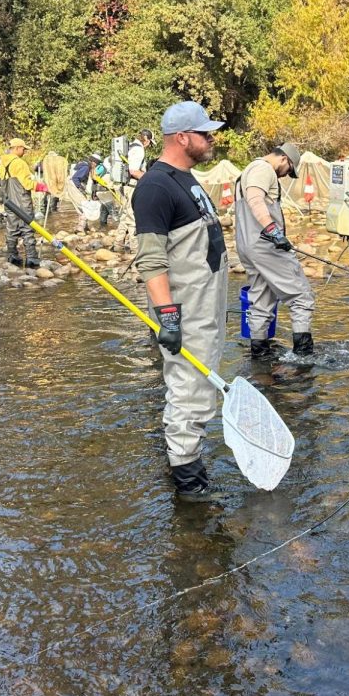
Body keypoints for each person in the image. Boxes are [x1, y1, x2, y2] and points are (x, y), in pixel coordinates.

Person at [131, 102, 226, 502]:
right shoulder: (155, 186)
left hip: (206, 308)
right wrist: (168, 317)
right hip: (185, 313)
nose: (212, 139)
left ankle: (188, 464)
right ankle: (188, 484)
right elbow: (151, 259)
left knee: (201, 390)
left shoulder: (186, 179)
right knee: (187, 392)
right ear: (182, 137)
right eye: (205, 133)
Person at [234, 143, 316, 358]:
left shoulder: (248, 171)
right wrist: (273, 230)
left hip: (248, 246)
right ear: (283, 159)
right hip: (267, 245)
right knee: (301, 296)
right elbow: (254, 199)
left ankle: (259, 356)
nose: (286, 175)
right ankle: (304, 357)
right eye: (289, 169)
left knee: (261, 301)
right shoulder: (263, 169)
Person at [0, 138, 39, 268]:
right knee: (27, 229)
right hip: (22, 201)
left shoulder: (1, 164)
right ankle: (31, 258)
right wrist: (42, 187)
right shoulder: (19, 163)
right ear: (16, 148)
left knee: (12, 229)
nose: (24, 151)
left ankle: (12, 255)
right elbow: (27, 184)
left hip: (9, 203)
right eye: (23, 149)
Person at [110, 129, 155, 248]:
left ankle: (118, 244)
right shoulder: (139, 150)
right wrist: (150, 178)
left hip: (125, 186)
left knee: (125, 216)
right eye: (150, 143)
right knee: (132, 217)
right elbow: (134, 171)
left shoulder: (130, 146)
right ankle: (135, 248)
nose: (149, 146)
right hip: (131, 187)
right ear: (146, 139)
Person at [64, 153, 99, 232]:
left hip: (71, 185)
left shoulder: (84, 164)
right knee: (85, 206)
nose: (96, 166)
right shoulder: (86, 167)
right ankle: (80, 228)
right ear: (93, 162)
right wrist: (81, 189)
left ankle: (85, 226)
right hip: (73, 186)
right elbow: (75, 178)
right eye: (96, 164)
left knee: (80, 207)